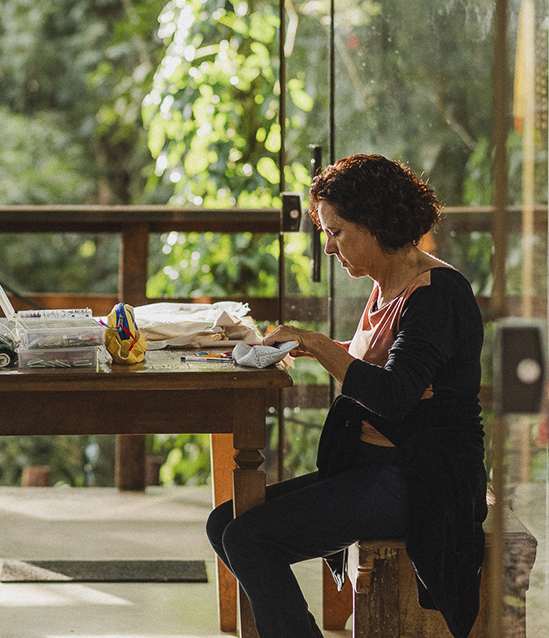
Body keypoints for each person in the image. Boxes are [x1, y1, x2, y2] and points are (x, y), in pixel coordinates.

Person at [207, 154, 487, 638]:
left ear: (376, 222)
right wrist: (297, 347)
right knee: (225, 525)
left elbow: (395, 394)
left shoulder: (437, 295)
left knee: (250, 538)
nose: (331, 248)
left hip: (420, 479)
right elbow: (376, 362)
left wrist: (315, 342)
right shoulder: (388, 284)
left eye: (337, 232)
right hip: (374, 467)